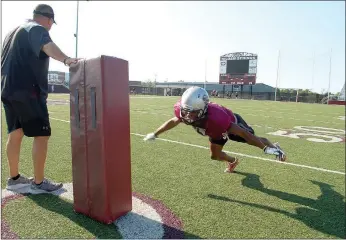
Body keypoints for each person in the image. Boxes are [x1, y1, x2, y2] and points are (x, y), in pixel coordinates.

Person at [1, 4, 81, 193]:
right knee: (42, 134)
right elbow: (47, 46)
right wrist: (66, 59)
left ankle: (14, 179)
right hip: (29, 90)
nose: (51, 26)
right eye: (52, 22)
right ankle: (38, 183)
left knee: (15, 133)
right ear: (47, 18)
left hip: (7, 88)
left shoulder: (12, 32)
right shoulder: (36, 28)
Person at [143, 86, 286, 173]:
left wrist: (264, 148)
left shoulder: (217, 118)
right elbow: (174, 121)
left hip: (231, 123)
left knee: (246, 139)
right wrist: (156, 133)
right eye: (185, 110)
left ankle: (273, 146)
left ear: (203, 109)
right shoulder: (184, 110)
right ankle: (232, 161)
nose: (187, 115)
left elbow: (244, 134)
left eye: (192, 112)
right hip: (213, 130)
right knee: (214, 156)